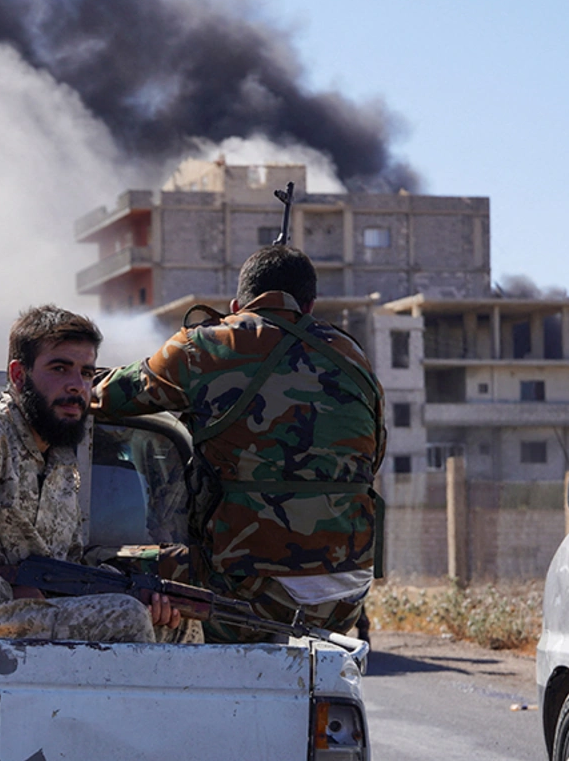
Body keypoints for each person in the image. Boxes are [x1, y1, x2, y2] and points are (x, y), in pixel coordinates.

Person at [92, 244, 386, 641]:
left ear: (236, 306)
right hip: (345, 603)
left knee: (93, 567)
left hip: (244, 596)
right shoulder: (353, 358)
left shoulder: (205, 345)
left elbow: (102, 396)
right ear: (310, 307)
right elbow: (373, 458)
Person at [0, 305, 182, 642]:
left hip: (17, 616)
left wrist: (126, 588)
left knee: (177, 624)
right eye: (59, 369)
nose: (76, 386)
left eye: (86, 373)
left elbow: (64, 567)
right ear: (18, 375)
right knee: (125, 617)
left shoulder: (61, 462)